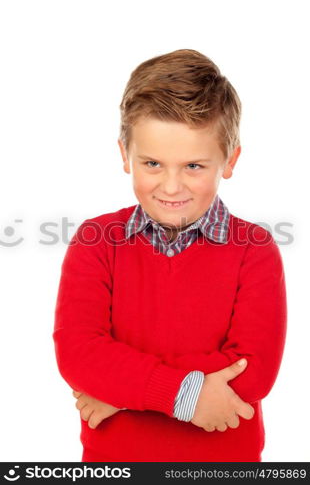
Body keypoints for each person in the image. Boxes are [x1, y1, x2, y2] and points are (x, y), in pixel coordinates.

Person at [53, 48, 287, 462]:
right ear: (125, 155)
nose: (172, 186)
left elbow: (252, 370)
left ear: (228, 160)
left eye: (194, 165)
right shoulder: (97, 240)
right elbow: (80, 353)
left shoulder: (254, 249)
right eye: (153, 163)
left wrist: (122, 394)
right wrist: (184, 394)